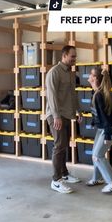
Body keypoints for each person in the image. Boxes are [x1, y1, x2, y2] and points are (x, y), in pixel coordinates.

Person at [46, 45, 82, 194]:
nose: (74, 59)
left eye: (75, 56)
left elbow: (73, 94)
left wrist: (78, 110)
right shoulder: (54, 72)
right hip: (56, 115)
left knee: (64, 145)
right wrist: (56, 116)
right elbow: (52, 96)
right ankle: (56, 180)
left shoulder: (71, 73)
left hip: (67, 114)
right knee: (59, 146)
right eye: (72, 56)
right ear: (64, 56)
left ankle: (65, 174)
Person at [86, 66, 112, 193]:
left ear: (95, 78)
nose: (88, 76)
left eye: (91, 74)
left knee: (98, 155)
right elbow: (98, 113)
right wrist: (93, 122)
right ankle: (98, 178)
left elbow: (105, 116)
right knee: (94, 154)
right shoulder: (96, 92)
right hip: (104, 127)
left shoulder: (99, 95)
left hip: (109, 128)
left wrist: (107, 134)